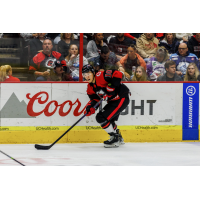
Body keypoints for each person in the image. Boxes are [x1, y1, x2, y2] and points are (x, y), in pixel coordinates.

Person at [82, 64, 130, 148]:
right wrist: (90, 108)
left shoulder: (100, 75)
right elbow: (95, 100)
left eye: (88, 73)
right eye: (84, 75)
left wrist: (111, 87)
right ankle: (118, 137)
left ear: (93, 72)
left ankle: (115, 138)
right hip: (113, 101)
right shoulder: (90, 87)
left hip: (121, 97)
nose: (87, 76)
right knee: (108, 120)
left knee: (101, 117)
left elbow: (118, 73)